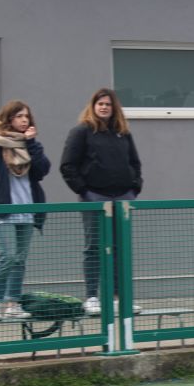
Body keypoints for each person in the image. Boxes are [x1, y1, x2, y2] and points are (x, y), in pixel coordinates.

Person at [60, 88, 143, 316]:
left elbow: (135, 163)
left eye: (108, 104)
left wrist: (134, 187)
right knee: (94, 247)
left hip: (122, 197)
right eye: (100, 104)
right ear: (93, 106)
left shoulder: (123, 133)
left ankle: (118, 298)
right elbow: (68, 166)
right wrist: (84, 191)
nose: (104, 107)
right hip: (95, 198)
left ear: (114, 108)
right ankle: (92, 297)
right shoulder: (81, 132)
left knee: (119, 248)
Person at [0, 101, 51, 320]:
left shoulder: (30, 145)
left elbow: (42, 170)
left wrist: (31, 143)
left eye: (27, 116)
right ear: (9, 118)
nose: (24, 120)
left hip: (28, 207)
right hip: (5, 210)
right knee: (8, 256)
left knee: (20, 259)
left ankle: (13, 303)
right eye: (19, 116)